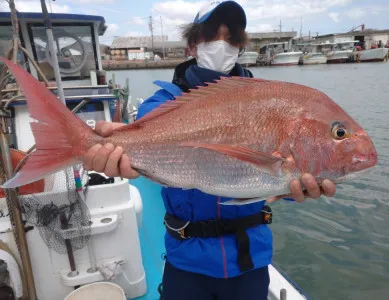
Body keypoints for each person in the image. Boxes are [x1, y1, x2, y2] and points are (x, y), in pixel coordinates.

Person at [83, 1, 336, 299]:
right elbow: (145, 136)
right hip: (187, 260)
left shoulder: (269, 102)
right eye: (210, 37)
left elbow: (271, 181)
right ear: (192, 46)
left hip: (249, 260)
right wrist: (116, 153)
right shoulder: (162, 104)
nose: (221, 46)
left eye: (231, 39)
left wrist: (297, 189)